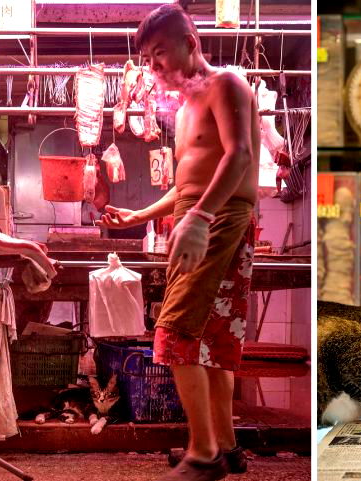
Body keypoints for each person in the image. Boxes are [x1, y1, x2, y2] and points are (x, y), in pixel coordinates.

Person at [98, 4, 259, 480]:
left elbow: (241, 154)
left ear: (191, 41)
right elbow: (187, 183)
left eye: (160, 53)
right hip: (202, 218)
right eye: (148, 58)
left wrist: (202, 217)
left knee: (175, 334)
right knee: (212, 341)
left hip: (221, 218)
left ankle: (203, 454)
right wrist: (143, 214)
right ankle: (226, 447)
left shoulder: (225, 83)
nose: (155, 67)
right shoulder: (187, 107)